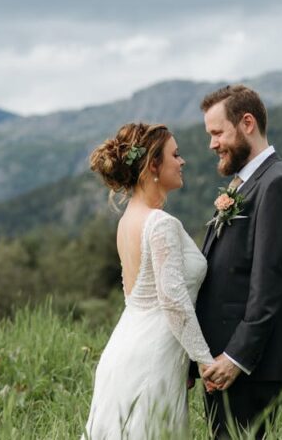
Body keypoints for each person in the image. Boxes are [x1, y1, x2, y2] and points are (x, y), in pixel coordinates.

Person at [83, 123, 214, 440]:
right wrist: (206, 362)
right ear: (153, 165)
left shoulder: (128, 219)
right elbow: (173, 301)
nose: (182, 162)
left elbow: (140, 297)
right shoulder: (160, 224)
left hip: (127, 348)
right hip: (152, 360)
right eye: (175, 154)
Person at [193, 85, 282, 438]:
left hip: (251, 365)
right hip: (224, 361)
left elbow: (270, 283)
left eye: (217, 133)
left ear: (247, 123)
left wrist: (237, 357)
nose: (212, 144)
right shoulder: (245, 184)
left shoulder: (277, 185)